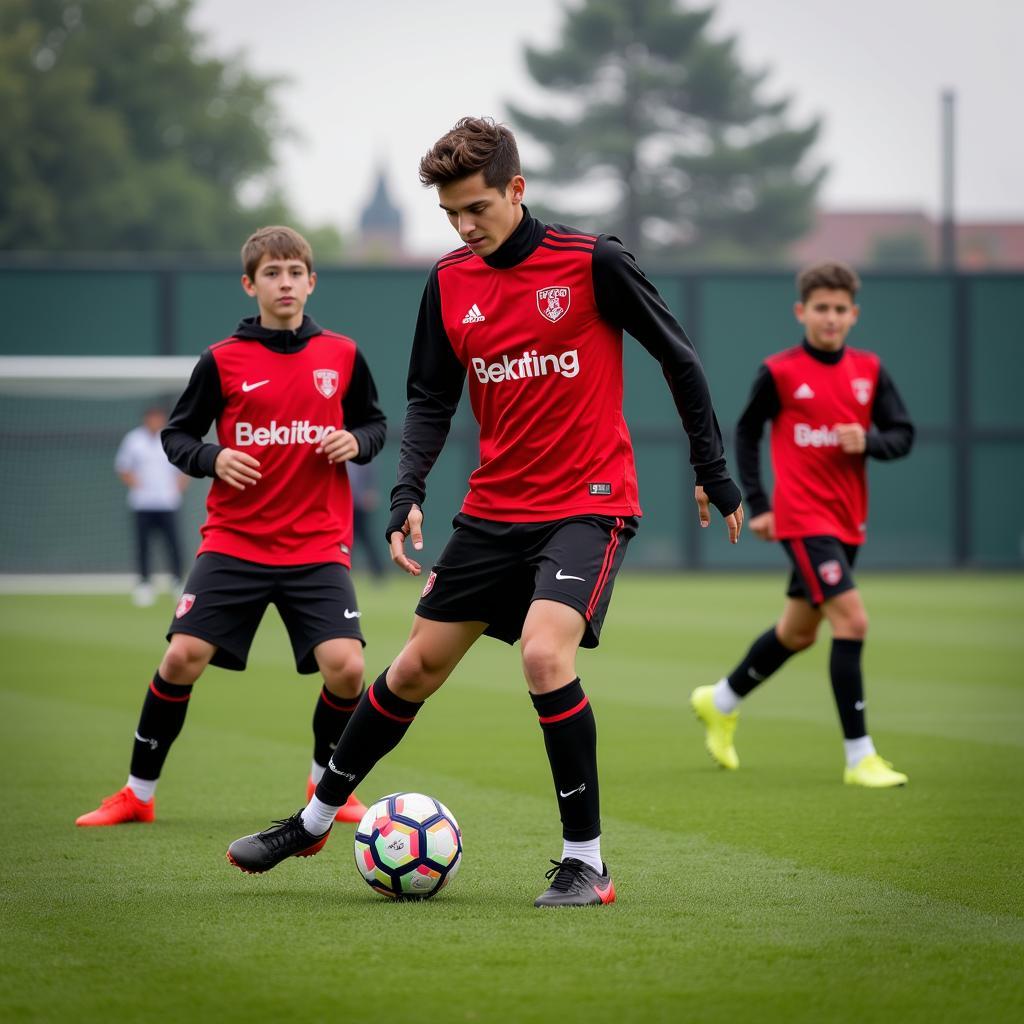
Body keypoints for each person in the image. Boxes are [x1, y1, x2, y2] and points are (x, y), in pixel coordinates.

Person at [226, 117, 743, 906]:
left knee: (543, 655)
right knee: (412, 668)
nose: (466, 228)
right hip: (493, 508)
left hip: (588, 503)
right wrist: (407, 493)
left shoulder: (592, 262)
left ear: (516, 190)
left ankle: (586, 862)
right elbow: (430, 397)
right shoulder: (449, 280)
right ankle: (316, 817)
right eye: (451, 216)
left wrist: (713, 469)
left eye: (477, 209)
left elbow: (679, 355)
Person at [76, 226, 387, 827]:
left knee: (347, 667)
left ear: (311, 281)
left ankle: (328, 787)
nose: (285, 282)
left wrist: (357, 440)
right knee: (182, 656)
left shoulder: (342, 355)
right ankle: (137, 794)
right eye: (272, 273)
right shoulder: (221, 360)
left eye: (296, 271)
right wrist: (213, 457)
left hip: (316, 544)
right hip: (236, 542)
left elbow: (374, 425)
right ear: (251, 285)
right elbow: (176, 436)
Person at [690, 260, 914, 787]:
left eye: (840, 309)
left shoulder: (870, 371)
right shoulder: (781, 371)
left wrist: (872, 442)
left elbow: (903, 433)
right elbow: (745, 434)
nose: (830, 317)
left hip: (847, 521)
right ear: (802, 311)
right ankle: (861, 757)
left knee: (798, 632)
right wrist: (761, 503)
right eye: (821, 308)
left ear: (853, 315)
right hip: (802, 517)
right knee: (852, 622)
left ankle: (719, 700)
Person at [114, 405, 188, 606]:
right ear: (147, 419)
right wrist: (138, 486)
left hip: (168, 503)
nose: (157, 422)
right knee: (143, 545)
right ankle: (144, 585)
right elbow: (123, 467)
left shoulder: (171, 438)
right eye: (153, 418)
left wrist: (177, 488)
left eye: (160, 418)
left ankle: (177, 582)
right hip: (142, 503)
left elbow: (184, 467)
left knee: (174, 545)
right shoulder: (133, 440)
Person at [347, 460, 386, 580]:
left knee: (365, 538)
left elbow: (370, 478)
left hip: (359, 505)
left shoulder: (363, 457)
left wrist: (370, 492)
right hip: (345, 504)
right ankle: (344, 568)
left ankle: (378, 570)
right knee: (348, 539)